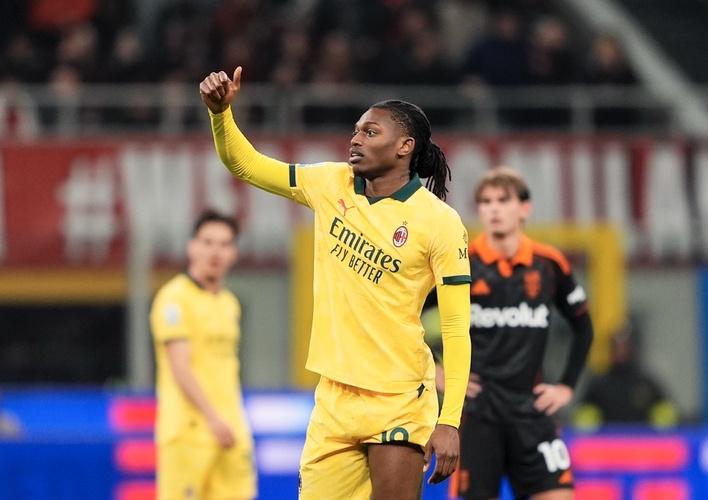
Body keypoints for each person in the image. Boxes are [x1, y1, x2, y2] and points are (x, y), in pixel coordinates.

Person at [199, 66, 472, 500]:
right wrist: (220, 115)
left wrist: (450, 421)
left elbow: (456, 329)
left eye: (370, 132)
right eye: (356, 130)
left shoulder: (439, 222)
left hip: (399, 397)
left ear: (404, 146)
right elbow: (246, 165)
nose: (355, 139)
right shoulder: (330, 183)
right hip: (334, 397)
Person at [430, 166, 594, 500]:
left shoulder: (549, 264)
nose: (494, 208)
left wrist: (566, 386)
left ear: (524, 208)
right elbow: (406, 314)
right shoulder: (461, 262)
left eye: (503, 200)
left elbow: (583, 327)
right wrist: (434, 371)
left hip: (532, 413)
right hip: (478, 415)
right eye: (486, 201)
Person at [150, 209, 257, 500]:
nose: (215, 252)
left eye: (224, 244)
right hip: (189, 432)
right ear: (191, 247)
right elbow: (180, 367)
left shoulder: (229, 303)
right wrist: (213, 419)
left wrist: (229, 421)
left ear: (234, 253)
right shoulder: (174, 299)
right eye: (207, 242)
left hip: (231, 429)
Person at [574, 321, 679, 429]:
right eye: (616, 346)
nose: (620, 351)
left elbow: (668, 418)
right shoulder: (598, 386)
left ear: (633, 348)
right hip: (609, 439)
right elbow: (581, 420)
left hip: (641, 439)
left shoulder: (647, 384)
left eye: (624, 346)